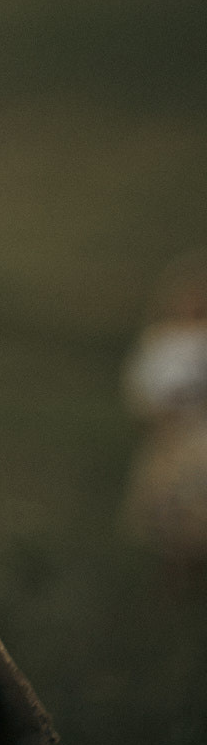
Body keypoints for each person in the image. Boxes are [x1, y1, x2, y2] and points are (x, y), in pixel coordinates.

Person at [122, 251, 207, 588]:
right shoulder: (163, 341)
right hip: (171, 439)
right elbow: (145, 390)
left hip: (199, 439)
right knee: (170, 512)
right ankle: (173, 575)